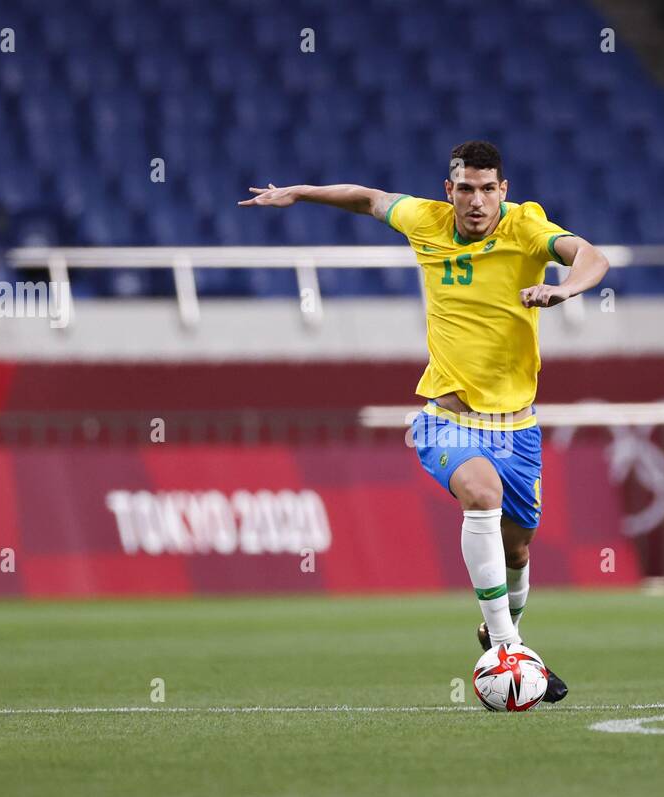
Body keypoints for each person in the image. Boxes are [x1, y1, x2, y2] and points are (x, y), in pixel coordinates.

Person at [239, 141, 609, 701]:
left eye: (488, 189)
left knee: (518, 551)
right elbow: (367, 199)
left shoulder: (527, 228)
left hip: (518, 427)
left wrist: (564, 289)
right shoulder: (427, 221)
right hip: (445, 419)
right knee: (481, 495)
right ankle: (507, 648)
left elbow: (592, 257)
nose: (477, 201)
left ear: (503, 192)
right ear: (449, 191)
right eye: (466, 189)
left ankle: (499, 629)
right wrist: (300, 193)